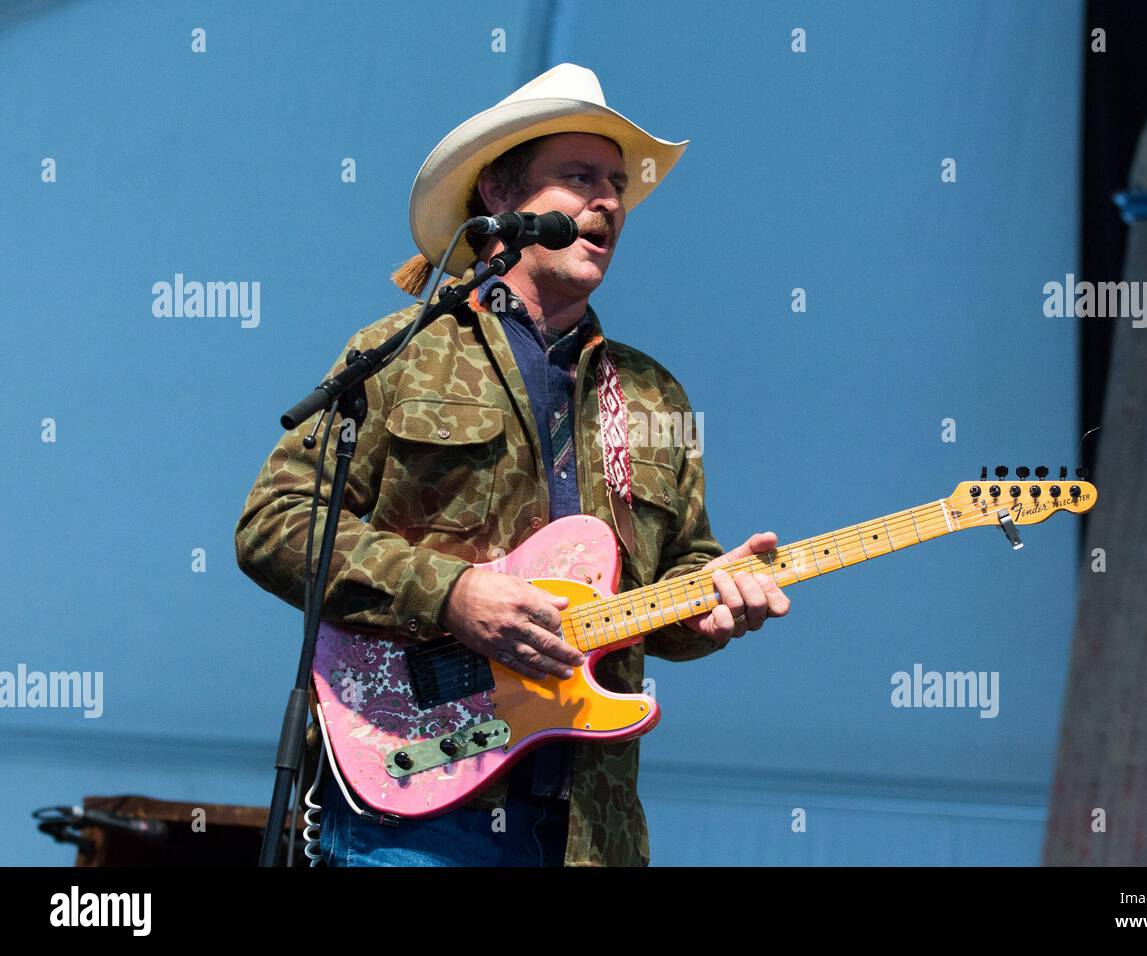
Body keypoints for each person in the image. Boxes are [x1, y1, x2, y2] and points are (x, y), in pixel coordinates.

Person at [234, 63, 790, 866]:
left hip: (587, 827)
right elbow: (276, 524)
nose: (607, 200)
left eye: (615, 185)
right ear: (500, 195)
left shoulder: (655, 393)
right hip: (417, 798)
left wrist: (709, 614)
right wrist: (453, 594)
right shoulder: (400, 354)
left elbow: (682, 573)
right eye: (577, 178)